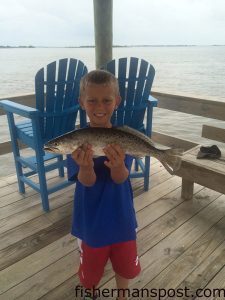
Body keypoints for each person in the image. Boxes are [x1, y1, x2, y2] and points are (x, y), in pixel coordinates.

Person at [67, 70, 141, 300]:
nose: (100, 106)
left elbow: (120, 178)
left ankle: (122, 296)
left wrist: (118, 165)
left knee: (124, 265)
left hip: (122, 218)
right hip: (91, 222)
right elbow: (86, 182)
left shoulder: (122, 138)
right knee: (90, 271)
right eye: (92, 100)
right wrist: (86, 168)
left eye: (107, 100)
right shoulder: (76, 141)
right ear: (82, 103)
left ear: (116, 102)